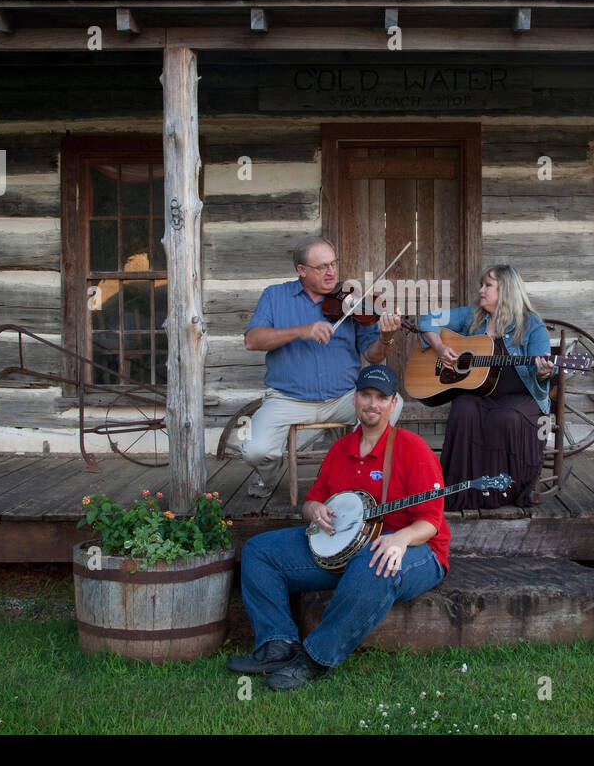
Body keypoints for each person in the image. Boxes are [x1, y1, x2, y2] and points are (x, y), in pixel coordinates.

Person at [228, 365, 449, 691]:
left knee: (372, 563)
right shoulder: (339, 450)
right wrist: (314, 509)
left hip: (417, 549)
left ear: (392, 403)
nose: (372, 404)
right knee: (260, 551)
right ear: (355, 399)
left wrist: (400, 539)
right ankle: (277, 643)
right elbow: (312, 502)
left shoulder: (411, 448)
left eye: (381, 397)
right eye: (365, 395)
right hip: (347, 544)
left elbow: (430, 521)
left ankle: (315, 657)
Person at [242, 236, 403, 497]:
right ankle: (269, 473)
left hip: (343, 398)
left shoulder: (351, 302)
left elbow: (373, 355)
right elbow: (252, 340)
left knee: (393, 406)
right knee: (255, 450)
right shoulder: (275, 296)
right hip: (287, 399)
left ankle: (354, 474)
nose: (331, 272)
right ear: (301, 270)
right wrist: (301, 330)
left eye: (333, 264)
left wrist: (387, 338)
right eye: (322, 267)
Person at [417, 265, 554, 509]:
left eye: (488, 285)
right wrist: (439, 347)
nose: (481, 290)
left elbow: (540, 369)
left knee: (504, 418)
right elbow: (428, 319)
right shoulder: (474, 316)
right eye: (482, 284)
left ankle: (504, 490)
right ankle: (464, 491)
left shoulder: (532, 325)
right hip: (483, 394)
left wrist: (543, 371)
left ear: (507, 291)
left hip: (522, 398)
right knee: (462, 408)